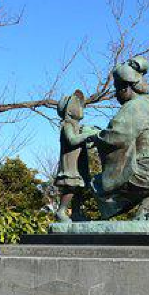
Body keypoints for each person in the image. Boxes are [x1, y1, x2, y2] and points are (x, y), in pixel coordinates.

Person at [91, 56, 149, 219]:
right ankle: (145, 207)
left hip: (146, 174)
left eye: (117, 88)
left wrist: (95, 136)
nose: (116, 94)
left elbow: (117, 136)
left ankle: (105, 218)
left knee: (97, 183)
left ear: (126, 87)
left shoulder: (134, 107)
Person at [54, 90, 101, 222]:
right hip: (70, 162)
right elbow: (72, 140)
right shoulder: (67, 124)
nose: (81, 108)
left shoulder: (78, 126)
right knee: (71, 186)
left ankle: (76, 212)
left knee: (81, 187)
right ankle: (61, 211)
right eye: (78, 106)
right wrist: (87, 135)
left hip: (80, 161)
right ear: (69, 111)